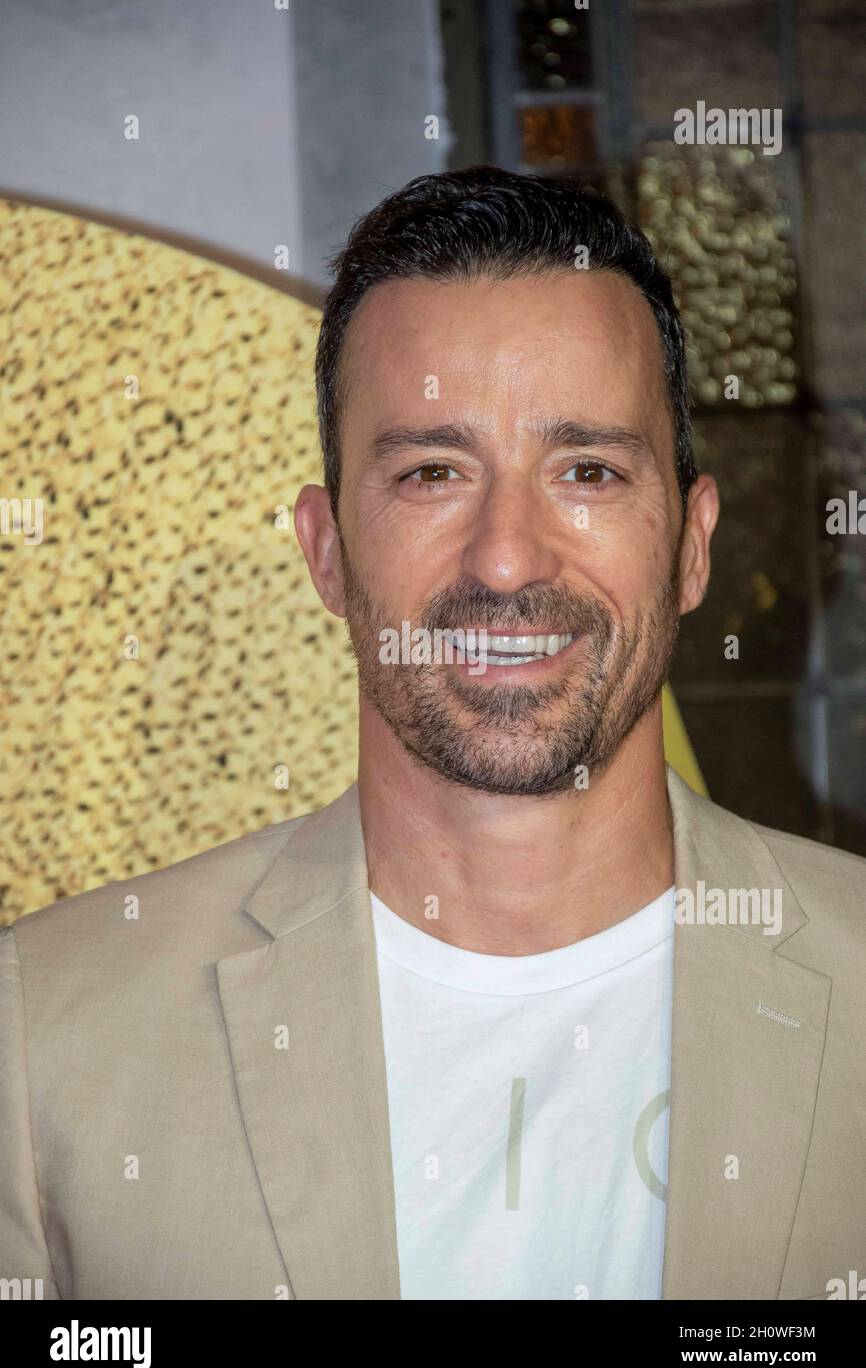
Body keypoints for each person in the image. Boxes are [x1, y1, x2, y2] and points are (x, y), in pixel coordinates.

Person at [2, 167, 863, 1302]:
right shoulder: (43, 1032)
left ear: (692, 543)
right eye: (430, 472)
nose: (506, 557)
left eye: (587, 471)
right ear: (323, 550)